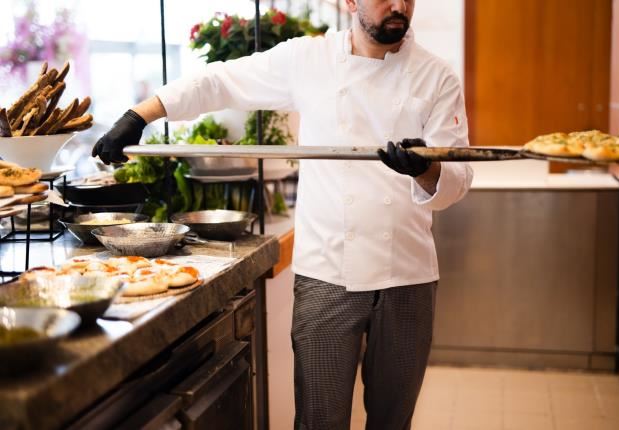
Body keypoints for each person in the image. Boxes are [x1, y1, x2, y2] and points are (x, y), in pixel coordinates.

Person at [93, 0, 473, 428]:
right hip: (327, 272)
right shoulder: (308, 59)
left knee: (393, 421)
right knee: (318, 420)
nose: (399, 5)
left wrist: (426, 168)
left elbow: (457, 179)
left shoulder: (437, 75)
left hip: (409, 275)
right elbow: (219, 82)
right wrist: (140, 114)